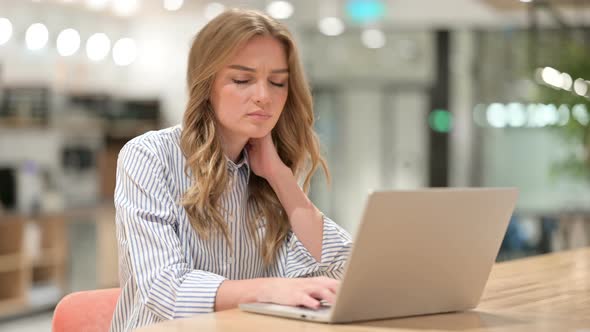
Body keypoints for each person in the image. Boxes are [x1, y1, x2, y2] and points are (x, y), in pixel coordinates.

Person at [110, 8, 352, 331]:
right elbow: (165, 288)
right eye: (242, 80)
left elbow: (343, 268)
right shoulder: (149, 156)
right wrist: (270, 289)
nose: (264, 97)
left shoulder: (266, 176)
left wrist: (280, 177)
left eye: (278, 82)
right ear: (206, 84)